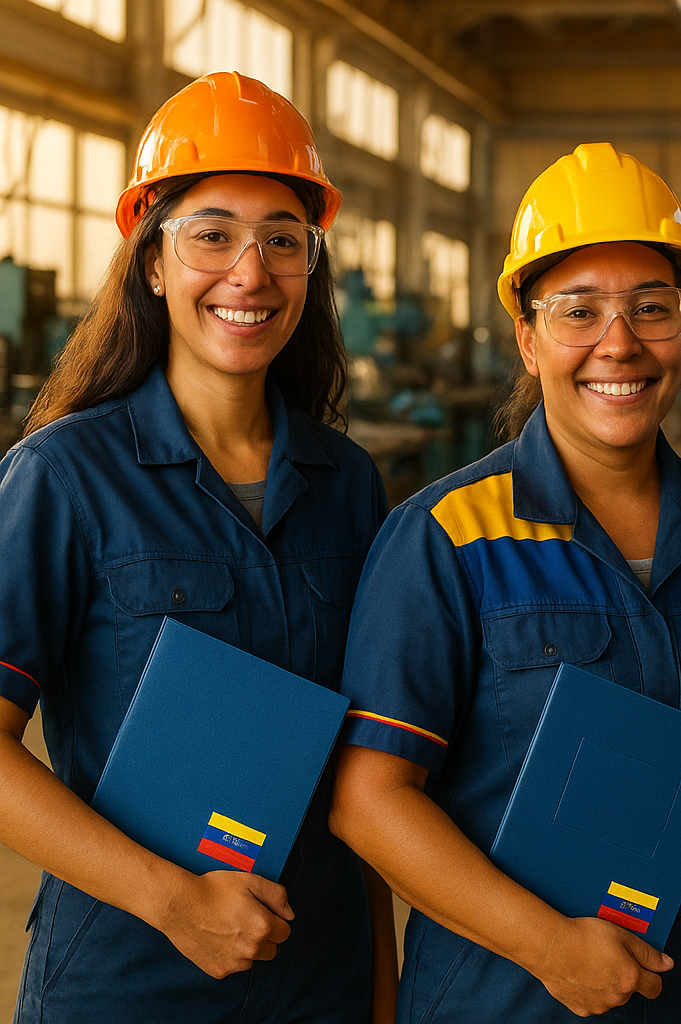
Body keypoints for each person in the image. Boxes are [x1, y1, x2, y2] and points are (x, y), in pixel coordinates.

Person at [329, 142, 681, 1023]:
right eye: (579, 311)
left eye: (651, 308)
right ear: (527, 338)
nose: (620, 343)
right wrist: (548, 947)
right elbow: (369, 801)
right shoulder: (447, 537)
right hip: (506, 1002)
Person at [0, 72, 394, 1022]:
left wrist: (383, 995)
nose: (249, 273)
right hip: (130, 983)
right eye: (211, 235)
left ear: (311, 264)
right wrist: (175, 901)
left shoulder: (350, 487)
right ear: (152, 262)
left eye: (283, 241)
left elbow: (363, 771)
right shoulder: (65, 477)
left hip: (320, 979)